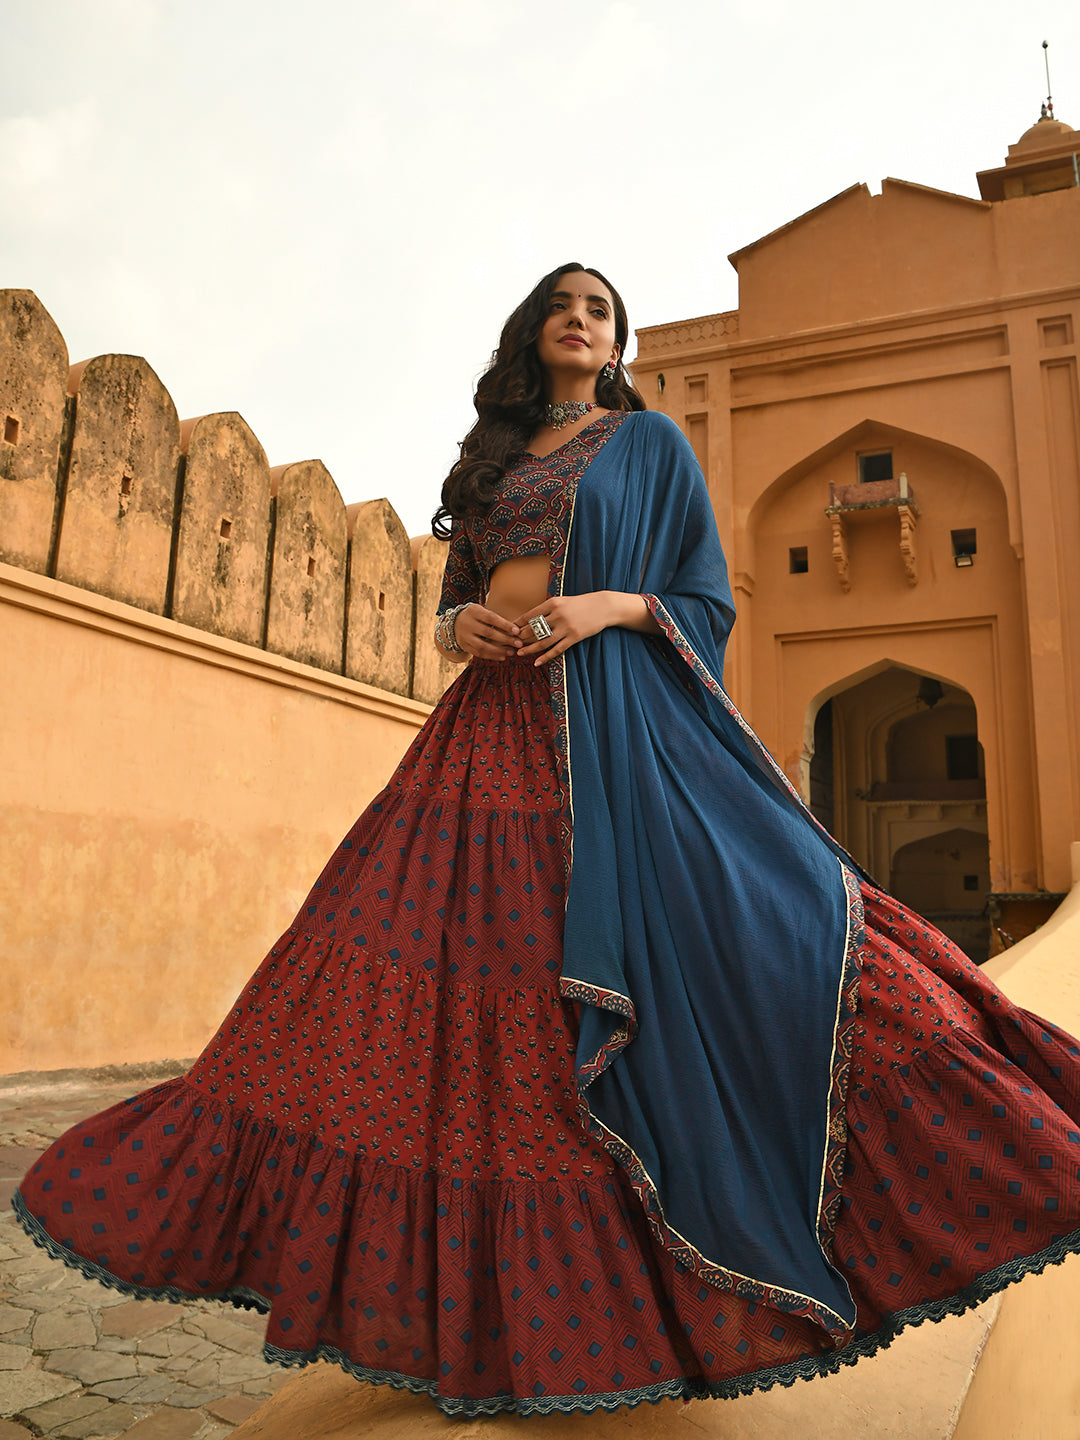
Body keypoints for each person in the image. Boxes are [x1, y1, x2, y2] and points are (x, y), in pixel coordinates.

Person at [14, 264, 1080, 1418]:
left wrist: (609, 608)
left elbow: (707, 601)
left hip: (613, 717)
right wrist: (456, 623)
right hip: (486, 730)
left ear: (615, 342)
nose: (583, 319)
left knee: (752, 924)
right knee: (438, 984)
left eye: (602, 310)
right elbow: (463, 595)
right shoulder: (493, 461)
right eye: (564, 304)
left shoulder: (649, 443)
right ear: (533, 331)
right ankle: (500, 1314)